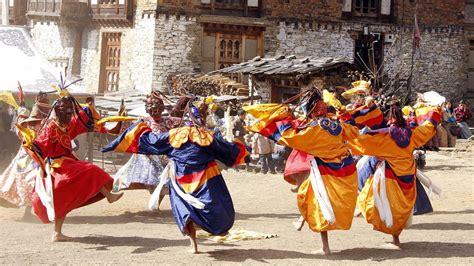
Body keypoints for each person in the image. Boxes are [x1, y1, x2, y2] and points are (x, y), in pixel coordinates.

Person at [102, 99, 249, 254]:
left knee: (185, 209)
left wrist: (139, 130)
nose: (154, 111)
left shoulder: (174, 134)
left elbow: (151, 141)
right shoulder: (206, 136)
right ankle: (215, 227)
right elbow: (225, 149)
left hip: (182, 179)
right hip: (206, 178)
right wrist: (240, 150)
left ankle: (194, 245)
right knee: (214, 204)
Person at [244, 88, 360, 255]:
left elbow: (291, 137)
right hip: (343, 168)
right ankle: (320, 239)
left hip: (323, 171)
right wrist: (345, 114)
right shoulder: (337, 124)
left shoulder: (314, 128)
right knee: (315, 199)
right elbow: (354, 131)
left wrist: (283, 118)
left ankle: (325, 247)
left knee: (313, 200)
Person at [17, 90, 124, 242]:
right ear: (58, 112)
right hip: (57, 166)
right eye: (65, 110)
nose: (69, 113)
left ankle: (57, 233)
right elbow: (42, 146)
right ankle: (109, 196)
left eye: (70, 110)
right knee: (90, 170)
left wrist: (88, 108)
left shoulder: (67, 126)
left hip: (68, 163)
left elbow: (82, 121)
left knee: (65, 201)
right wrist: (31, 144)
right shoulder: (51, 128)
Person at [348, 104, 441, 248]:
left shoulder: (384, 137)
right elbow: (428, 128)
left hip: (391, 177)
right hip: (408, 176)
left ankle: (395, 240)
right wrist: (435, 112)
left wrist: (347, 128)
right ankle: (396, 238)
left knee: (382, 204)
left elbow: (359, 142)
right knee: (400, 208)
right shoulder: (412, 134)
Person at [114, 92, 180, 209]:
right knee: (156, 173)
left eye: (157, 107)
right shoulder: (143, 122)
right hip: (147, 155)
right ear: (147, 109)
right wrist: (121, 120)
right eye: (151, 107)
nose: (154, 110)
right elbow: (127, 130)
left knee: (171, 173)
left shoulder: (169, 121)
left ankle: (157, 203)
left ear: (162, 108)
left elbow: (184, 124)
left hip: (165, 155)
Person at [0, 96, 50, 219]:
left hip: (25, 156)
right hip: (34, 157)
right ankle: (29, 212)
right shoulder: (44, 126)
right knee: (32, 182)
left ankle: (29, 210)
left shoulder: (26, 124)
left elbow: (19, 134)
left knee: (21, 180)